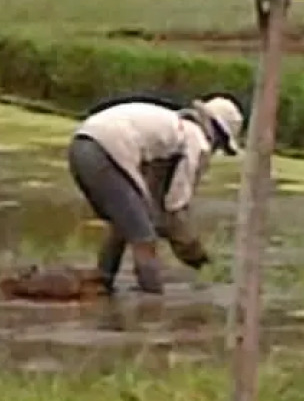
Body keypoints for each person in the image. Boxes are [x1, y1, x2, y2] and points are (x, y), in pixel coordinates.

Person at [67, 94, 245, 295]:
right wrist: (193, 251)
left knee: (127, 221)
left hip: (80, 145)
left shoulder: (172, 131)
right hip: (104, 151)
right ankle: (152, 301)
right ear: (217, 134)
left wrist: (166, 225)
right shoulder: (196, 141)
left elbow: (154, 203)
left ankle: (104, 279)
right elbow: (174, 206)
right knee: (144, 239)